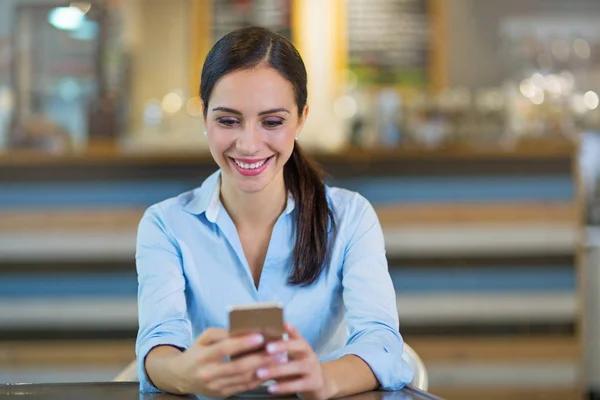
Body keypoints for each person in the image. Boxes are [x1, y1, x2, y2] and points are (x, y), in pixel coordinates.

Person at [135, 26, 413, 399]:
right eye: (228, 120)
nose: (249, 144)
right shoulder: (166, 224)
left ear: (301, 119)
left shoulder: (350, 218)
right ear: (204, 117)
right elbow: (158, 343)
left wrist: (324, 379)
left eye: (272, 122)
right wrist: (184, 374)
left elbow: (381, 341)